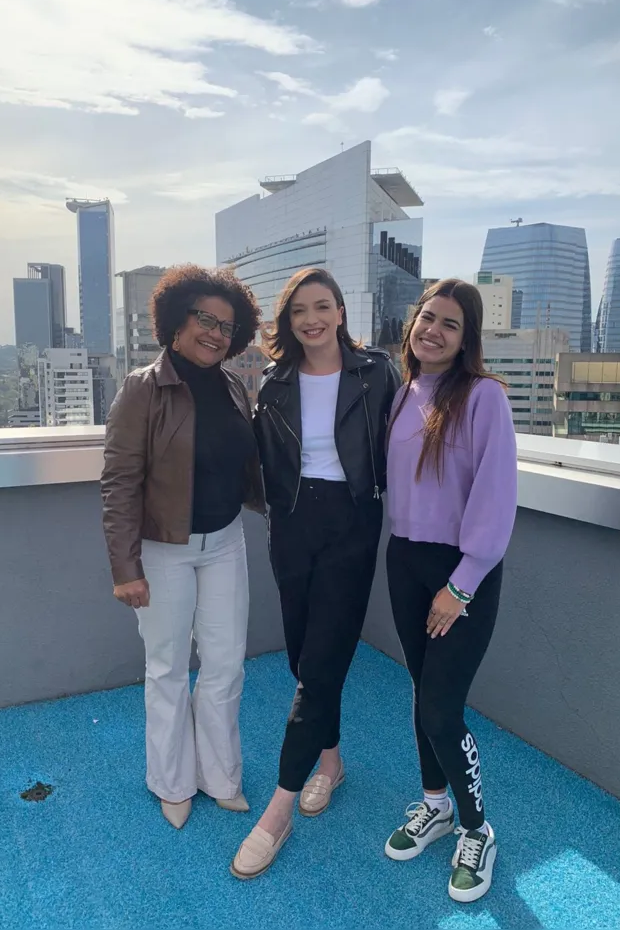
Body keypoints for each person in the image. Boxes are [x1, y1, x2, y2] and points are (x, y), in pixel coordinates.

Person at [230, 268, 400, 879]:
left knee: (323, 662)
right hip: (293, 524)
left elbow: (406, 440)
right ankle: (329, 761)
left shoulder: (376, 372)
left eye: (322, 306)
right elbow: (256, 459)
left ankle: (277, 813)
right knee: (305, 659)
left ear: (340, 310)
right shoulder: (274, 383)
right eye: (300, 309)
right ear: (288, 319)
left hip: (353, 523)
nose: (311, 319)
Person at [101, 264, 265, 830]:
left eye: (227, 325)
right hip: (162, 549)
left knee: (225, 664)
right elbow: (120, 481)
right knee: (167, 666)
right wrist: (126, 568)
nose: (216, 333)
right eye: (205, 319)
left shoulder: (232, 385)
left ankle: (220, 775)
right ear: (175, 322)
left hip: (225, 542)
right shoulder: (141, 389)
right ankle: (171, 780)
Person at [383, 278, 517, 903]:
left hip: (462, 575)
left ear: (468, 340)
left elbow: (495, 496)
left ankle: (475, 827)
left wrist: (460, 586)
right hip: (403, 560)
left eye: (451, 323)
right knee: (421, 692)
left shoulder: (485, 396)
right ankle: (434, 805)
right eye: (427, 317)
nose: (433, 330)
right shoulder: (404, 390)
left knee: (442, 707)